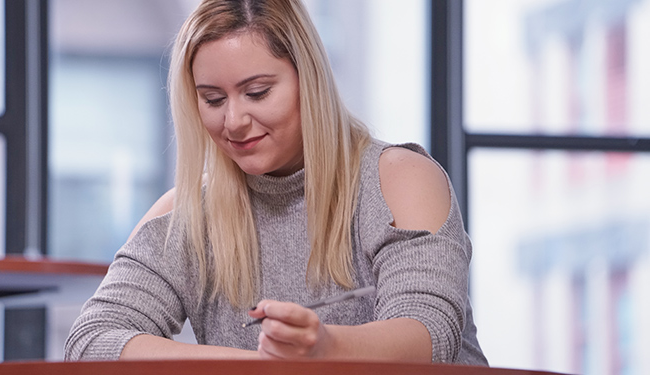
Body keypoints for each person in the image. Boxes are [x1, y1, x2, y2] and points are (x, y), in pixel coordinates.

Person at [64, 0, 487, 365]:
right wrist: (260, 365)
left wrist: (325, 347)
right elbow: (91, 341)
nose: (233, 121)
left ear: (309, 81)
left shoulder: (400, 179)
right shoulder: (187, 215)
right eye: (212, 99)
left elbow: (430, 334)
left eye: (258, 92)